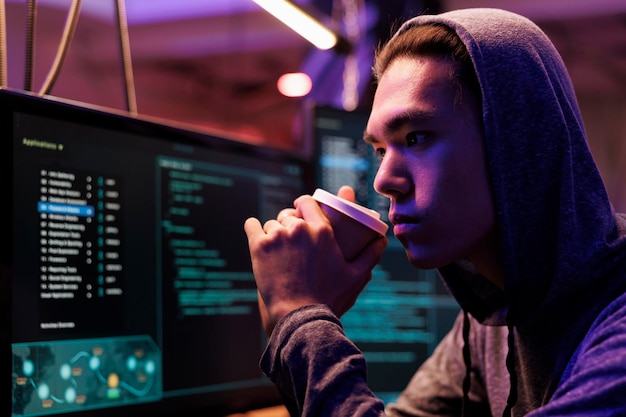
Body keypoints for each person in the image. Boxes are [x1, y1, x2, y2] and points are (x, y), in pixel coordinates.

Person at [244, 7, 626, 417]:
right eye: (379, 149)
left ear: (519, 145)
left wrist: (301, 320)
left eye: (417, 137)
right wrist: (295, 321)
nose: (383, 180)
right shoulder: (493, 318)